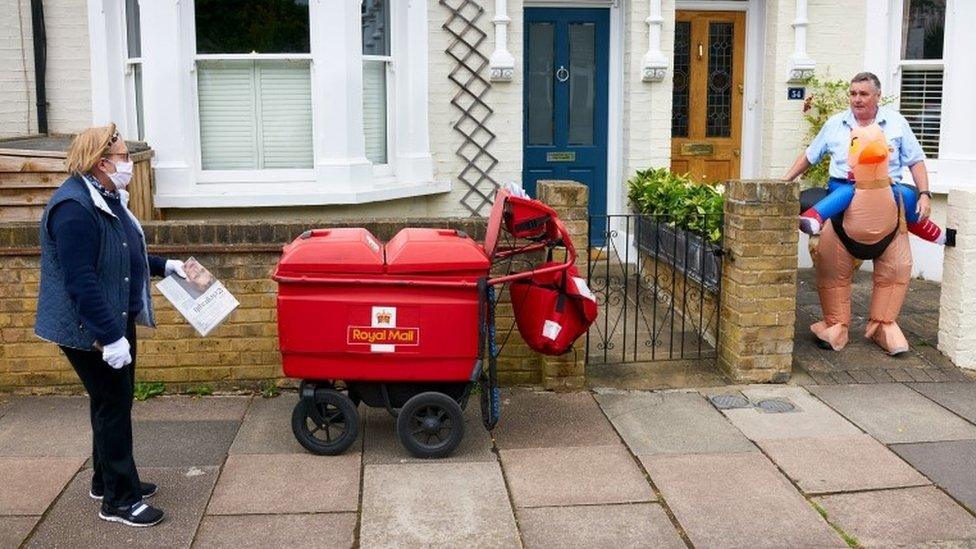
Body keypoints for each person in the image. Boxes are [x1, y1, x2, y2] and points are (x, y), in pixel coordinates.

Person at [34, 124, 186, 527]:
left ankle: (106, 479)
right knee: (114, 406)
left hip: (110, 319)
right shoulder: (73, 209)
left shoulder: (104, 197)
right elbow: (80, 279)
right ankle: (119, 501)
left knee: (108, 403)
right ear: (102, 163)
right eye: (123, 157)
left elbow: (123, 253)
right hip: (92, 329)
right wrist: (110, 337)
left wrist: (165, 266)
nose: (129, 164)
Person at [783, 71, 945, 245]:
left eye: (863, 94)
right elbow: (809, 156)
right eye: (853, 94)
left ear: (878, 96)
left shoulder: (897, 123)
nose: (857, 99)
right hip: (843, 183)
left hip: (885, 186)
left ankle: (937, 235)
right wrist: (784, 181)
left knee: (907, 195)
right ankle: (814, 218)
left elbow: (915, 161)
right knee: (855, 190)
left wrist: (925, 194)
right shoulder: (834, 124)